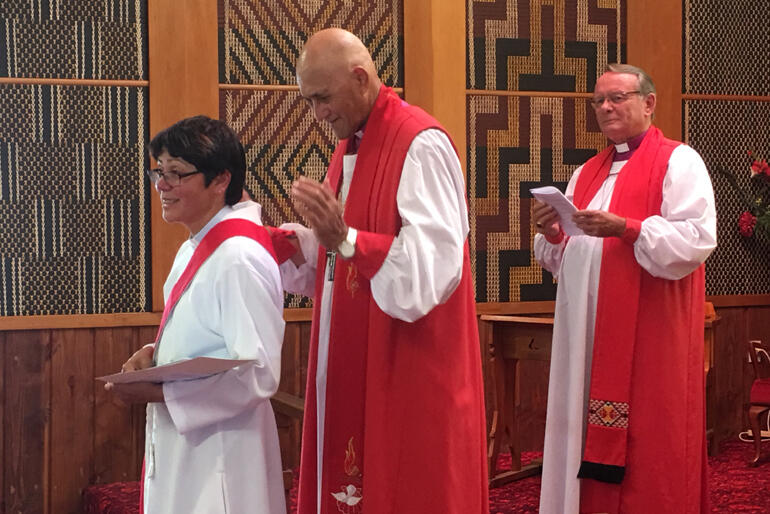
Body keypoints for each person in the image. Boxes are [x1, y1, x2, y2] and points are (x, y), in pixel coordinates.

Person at [274, 28, 488, 514]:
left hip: (410, 365)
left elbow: (433, 268)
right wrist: (287, 245)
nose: (318, 114)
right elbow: (341, 268)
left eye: (323, 98)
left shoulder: (420, 143)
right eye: (309, 101)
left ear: (360, 76)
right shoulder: (352, 145)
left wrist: (344, 240)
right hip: (360, 351)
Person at [533, 64, 717, 513]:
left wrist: (628, 228)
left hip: (647, 334)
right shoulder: (587, 173)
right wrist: (553, 234)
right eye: (599, 100)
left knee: (649, 438)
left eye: (617, 97)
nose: (606, 107)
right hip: (584, 332)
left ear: (648, 103)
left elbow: (696, 239)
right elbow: (562, 257)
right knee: (579, 421)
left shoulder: (679, 160)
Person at [105, 115, 286, 514]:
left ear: (221, 180)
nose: (162, 186)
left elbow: (259, 373)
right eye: (159, 172)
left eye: (176, 174)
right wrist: (157, 353)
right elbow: (208, 332)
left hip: (222, 454)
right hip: (191, 447)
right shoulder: (195, 246)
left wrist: (162, 391)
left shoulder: (239, 257)